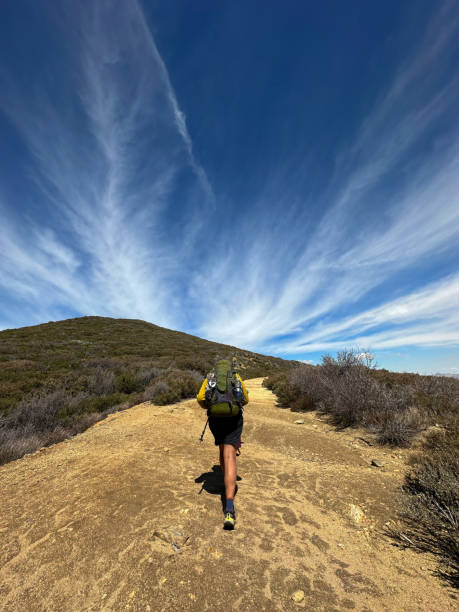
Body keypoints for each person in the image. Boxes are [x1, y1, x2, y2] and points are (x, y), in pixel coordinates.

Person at [197, 358, 249, 530]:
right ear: (230, 367)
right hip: (233, 419)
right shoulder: (236, 376)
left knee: (222, 450)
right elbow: (246, 400)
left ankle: (224, 479)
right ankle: (229, 508)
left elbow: (200, 398)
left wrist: (213, 406)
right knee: (230, 455)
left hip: (216, 421)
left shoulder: (210, 377)